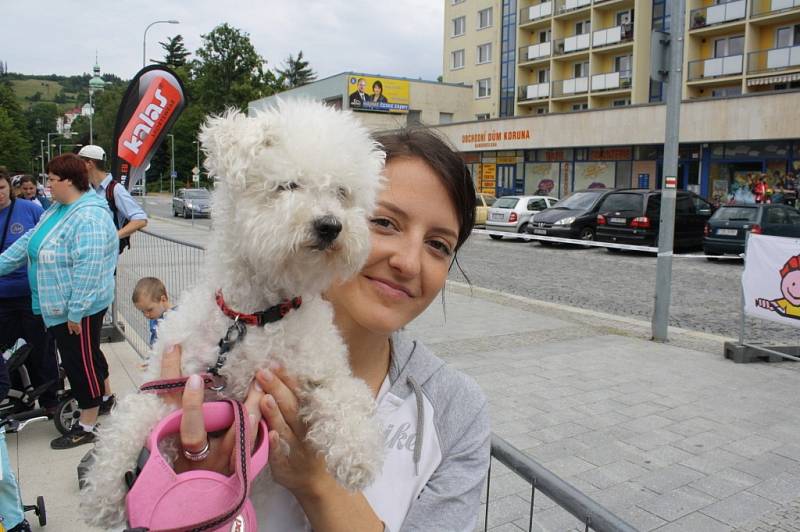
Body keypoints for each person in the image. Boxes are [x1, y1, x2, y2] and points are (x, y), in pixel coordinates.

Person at [158, 128, 490, 531]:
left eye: (439, 245)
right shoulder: (200, 353)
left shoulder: (456, 410)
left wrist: (318, 485)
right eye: (384, 222)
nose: (410, 262)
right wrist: (189, 487)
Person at [0, 153, 118, 450]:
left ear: (70, 181)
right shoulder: (58, 209)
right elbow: (30, 241)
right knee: (88, 357)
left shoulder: (89, 216)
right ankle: (105, 398)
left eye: (52, 180)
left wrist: (76, 312)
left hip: (77, 309)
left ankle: (87, 424)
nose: (47, 185)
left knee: (80, 365)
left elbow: (89, 269)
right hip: (62, 307)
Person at [0, 173, 60, 415]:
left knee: (41, 348)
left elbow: (48, 239)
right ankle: (16, 397)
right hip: (2, 298)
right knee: (8, 352)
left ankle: (50, 398)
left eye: (2, 187)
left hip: (31, 294)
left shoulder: (29, 210)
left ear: (9, 188)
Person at [78, 145, 147, 253]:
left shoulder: (115, 189)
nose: (76, 168)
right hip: (88, 253)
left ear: (89, 164)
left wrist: (114, 237)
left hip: (107, 257)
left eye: (79, 163)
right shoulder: (88, 189)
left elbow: (140, 219)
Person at [132, 276, 173, 348]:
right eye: (142, 311)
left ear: (163, 300)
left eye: (149, 310)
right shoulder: (154, 316)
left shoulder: (176, 319)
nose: (146, 315)